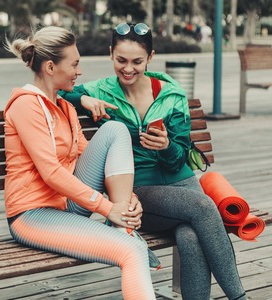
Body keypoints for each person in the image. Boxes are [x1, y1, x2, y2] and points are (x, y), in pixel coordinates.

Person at [60, 23, 247, 300]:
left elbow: (179, 159)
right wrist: (83, 98)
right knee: (203, 206)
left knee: (189, 236)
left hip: (181, 184)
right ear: (111, 54)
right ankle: (240, 297)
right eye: (121, 60)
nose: (128, 69)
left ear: (150, 57)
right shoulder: (101, 90)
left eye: (137, 61)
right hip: (139, 192)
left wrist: (167, 146)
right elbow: (57, 91)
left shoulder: (171, 93)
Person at [3, 26, 156, 300]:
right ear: (51, 67)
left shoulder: (65, 107)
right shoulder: (26, 106)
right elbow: (50, 172)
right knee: (132, 249)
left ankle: (124, 224)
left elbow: (91, 158)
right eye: (74, 64)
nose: (80, 71)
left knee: (115, 130)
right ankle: (125, 230)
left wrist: (127, 201)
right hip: (32, 215)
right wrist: (108, 208)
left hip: (68, 206)